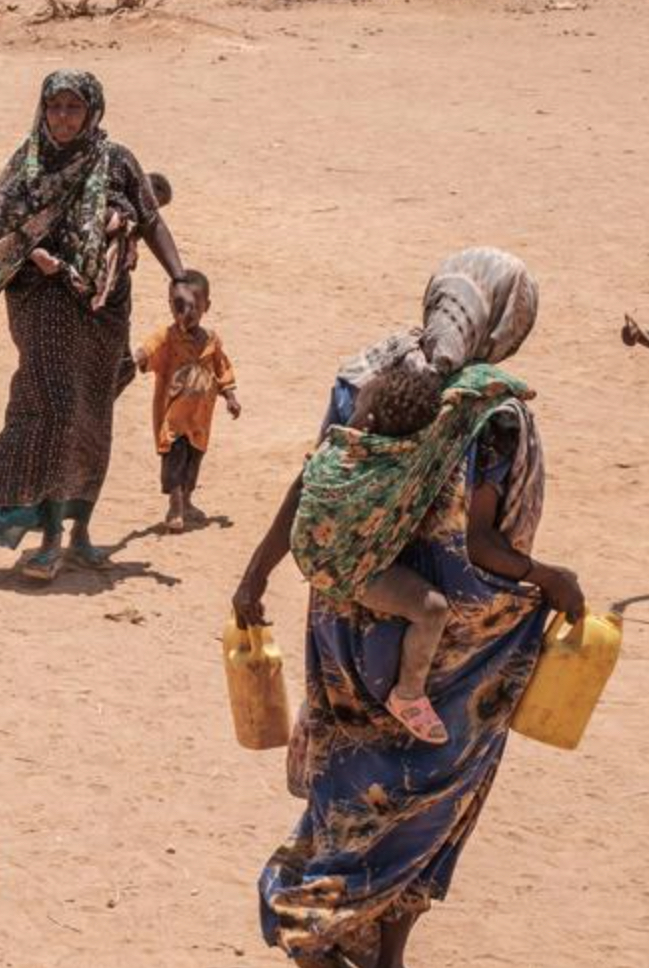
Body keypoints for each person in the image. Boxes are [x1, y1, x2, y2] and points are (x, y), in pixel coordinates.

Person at [232, 248, 586, 968]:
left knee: (351, 779)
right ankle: (341, 937)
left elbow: (319, 477)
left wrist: (256, 573)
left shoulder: (369, 372)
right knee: (427, 793)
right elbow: (480, 543)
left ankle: (343, 936)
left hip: (342, 623)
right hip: (443, 650)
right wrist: (549, 579)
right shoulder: (491, 413)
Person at [0, 70, 197, 581]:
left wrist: (180, 278)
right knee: (55, 411)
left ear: (93, 111)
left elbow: (150, 218)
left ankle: (80, 532)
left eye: (74, 108)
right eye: (55, 107)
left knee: (93, 415)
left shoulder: (116, 160)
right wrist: (34, 254)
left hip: (104, 308)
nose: (63, 117)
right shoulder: (25, 167)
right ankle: (48, 540)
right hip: (45, 304)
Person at [300, 358, 452, 744]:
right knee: (433, 610)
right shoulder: (404, 466)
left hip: (311, 559)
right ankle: (409, 694)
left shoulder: (333, 451)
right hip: (352, 575)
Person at [133, 269, 238, 533]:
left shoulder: (211, 341)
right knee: (174, 458)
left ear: (207, 306)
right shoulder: (168, 337)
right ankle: (175, 505)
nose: (186, 312)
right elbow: (149, 348)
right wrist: (137, 357)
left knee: (194, 460)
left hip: (201, 417)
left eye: (194, 306)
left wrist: (230, 397)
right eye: (178, 305)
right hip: (174, 417)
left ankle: (187, 499)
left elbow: (222, 369)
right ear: (170, 303)